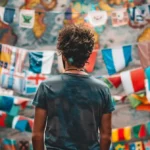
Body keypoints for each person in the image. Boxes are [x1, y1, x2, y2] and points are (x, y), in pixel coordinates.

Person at [32, 25, 115, 150]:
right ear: (87, 57)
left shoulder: (47, 87)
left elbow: (37, 136)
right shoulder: (103, 90)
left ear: (63, 55)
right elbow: (106, 137)